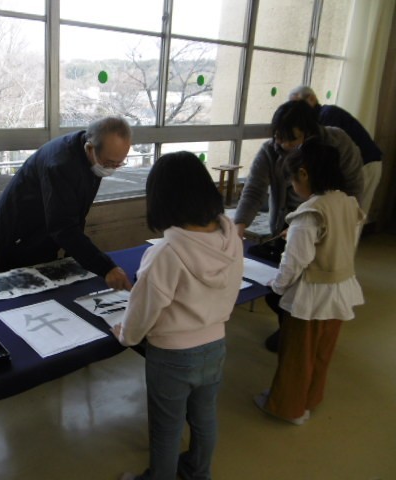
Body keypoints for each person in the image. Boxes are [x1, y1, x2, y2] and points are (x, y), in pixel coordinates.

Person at [112, 152, 243, 480]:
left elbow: (143, 310)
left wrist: (126, 335)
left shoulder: (165, 254)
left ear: (161, 200)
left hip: (172, 357)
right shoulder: (230, 240)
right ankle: (198, 472)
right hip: (215, 344)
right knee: (204, 417)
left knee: (167, 429)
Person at [234, 100, 364, 352]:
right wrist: (238, 228)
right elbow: (253, 190)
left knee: (300, 288)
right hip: (293, 224)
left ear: (310, 132)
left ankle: (295, 335)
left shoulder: (337, 144)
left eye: (290, 139)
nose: (282, 144)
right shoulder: (270, 151)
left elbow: (355, 189)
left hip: (327, 226)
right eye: (278, 137)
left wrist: (340, 225)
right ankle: (293, 331)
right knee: (286, 284)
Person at [254, 140, 364, 425]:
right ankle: (309, 399)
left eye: (292, 179)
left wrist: (277, 286)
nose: (292, 186)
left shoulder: (309, 213)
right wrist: (297, 232)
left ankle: (289, 409)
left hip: (311, 297)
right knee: (321, 352)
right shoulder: (347, 202)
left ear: (303, 173)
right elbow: (338, 239)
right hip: (340, 290)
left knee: (297, 355)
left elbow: (294, 262)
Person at [0, 116, 133, 291]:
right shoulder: (60, 164)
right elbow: (62, 226)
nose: (112, 168)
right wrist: (106, 268)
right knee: (27, 289)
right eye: (110, 163)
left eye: (119, 164)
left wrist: (73, 255)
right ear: (90, 148)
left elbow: (77, 211)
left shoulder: (93, 155)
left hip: (46, 221)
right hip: (19, 229)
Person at [289, 85, 383, 218]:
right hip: (358, 163)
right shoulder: (318, 118)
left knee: (355, 213)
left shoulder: (328, 114)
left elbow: (329, 153)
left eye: (298, 104)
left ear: (311, 99)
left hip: (366, 163)